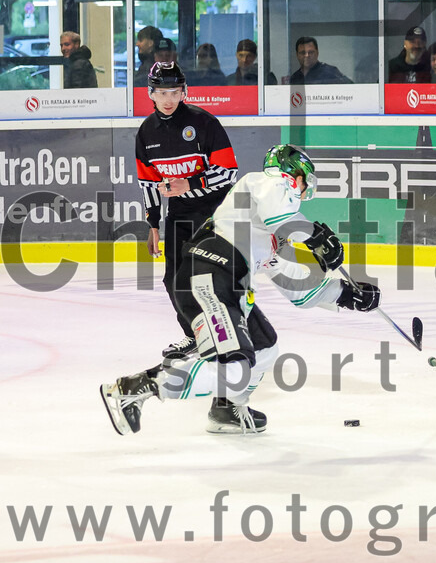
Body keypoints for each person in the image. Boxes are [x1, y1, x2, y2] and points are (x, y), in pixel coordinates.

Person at [101, 144, 382, 436]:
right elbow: (284, 219)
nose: (300, 190)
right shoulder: (264, 182)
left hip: (223, 285)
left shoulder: (263, 230)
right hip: (209, 277)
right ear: (293, 174)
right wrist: (315, 236)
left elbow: (298, 288)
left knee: (264, 346)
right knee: (235, 370)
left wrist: (346, 294)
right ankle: (135, 388)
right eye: (302, 181)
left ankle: (226, 408)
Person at [134, 62, 238, 362]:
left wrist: (191, 182)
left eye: (174, 92)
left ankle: (232, 335)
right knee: (174, 280)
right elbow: (149, 184)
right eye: (161, 92)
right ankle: (196, 336)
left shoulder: (204, 123)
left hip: (214, 211)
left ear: (184, 92)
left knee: (213, 280)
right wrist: (152, 224)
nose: (168, 99)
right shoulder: (146, 133)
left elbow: (230, 172)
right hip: (179, 212)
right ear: (150, 94)